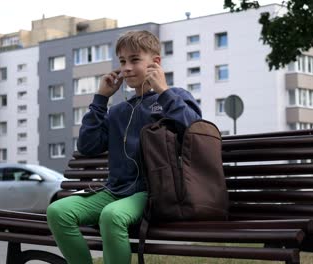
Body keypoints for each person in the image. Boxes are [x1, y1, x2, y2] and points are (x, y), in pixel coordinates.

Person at [46, 30, 202, 264]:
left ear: (155, 62)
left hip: (154, 194)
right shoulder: (118, 111)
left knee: (112, 215)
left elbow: (193, 130)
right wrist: (101, 98)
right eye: (122, 61)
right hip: (115, 191)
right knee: (58, 211)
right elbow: (88, 146)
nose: (126, 67)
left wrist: (163, 91)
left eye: (135, 60)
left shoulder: (174, 97)